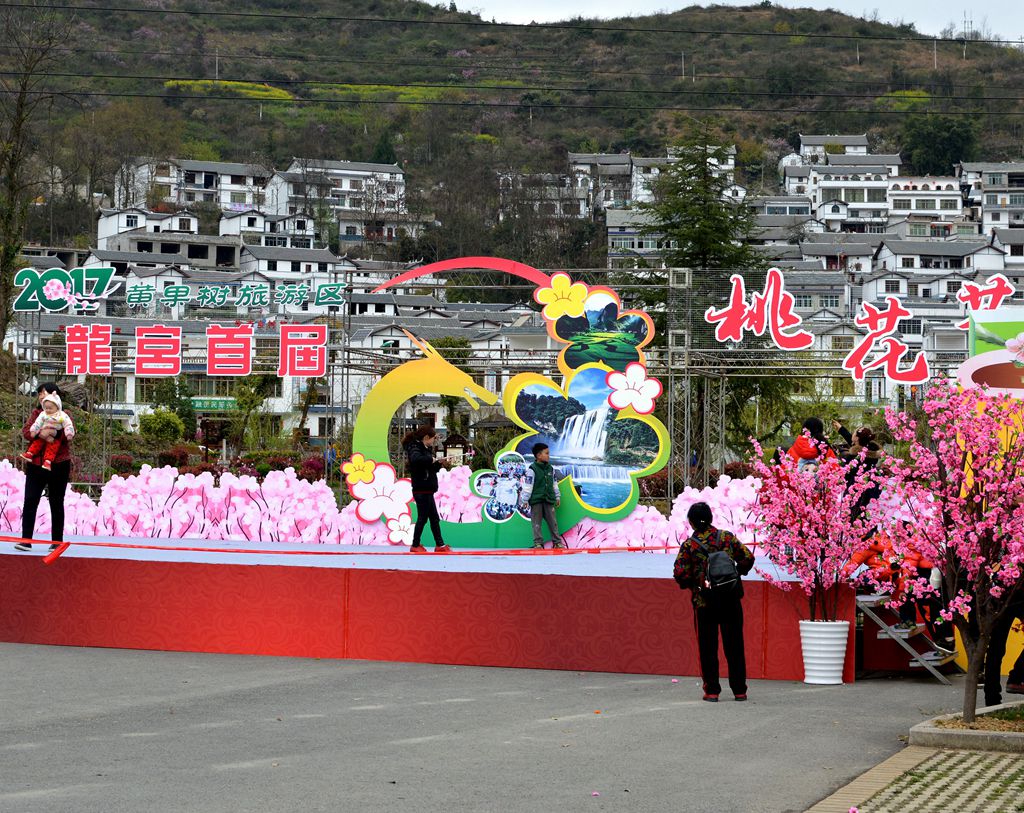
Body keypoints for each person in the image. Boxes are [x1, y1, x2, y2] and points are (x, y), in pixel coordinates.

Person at [673, 502, 755, 702]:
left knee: (708, 648)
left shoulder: (690, 545)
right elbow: (748, 558)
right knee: (734, 645)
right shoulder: (726, 537)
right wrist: (736, 572)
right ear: (710, 518)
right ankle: (739, 690)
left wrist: (694, 583)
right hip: (731, 600)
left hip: (704, 603)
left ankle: (712, 691)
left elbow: (680, 574)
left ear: (691, 522)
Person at [15, 383, 74, 553]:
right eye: (40, 393)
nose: (41, 396)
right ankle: (26, 540)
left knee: (56, 501)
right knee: (31, 499)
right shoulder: (37, 414)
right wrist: (41, 432)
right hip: (36, 464)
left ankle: (57, 542)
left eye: (44, 392)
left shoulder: (65, 414)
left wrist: (55, 433)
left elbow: (70, 433)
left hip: (59, 464)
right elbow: (26, 432)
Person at [402, 426, 452, 554]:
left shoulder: (425, 449)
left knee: (434, 518)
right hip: (421, 489)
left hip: (427, 489)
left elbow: (429, 468)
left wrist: (439, 463)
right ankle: (415, 544)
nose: (434, 441)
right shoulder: (415, 447)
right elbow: (416, 460)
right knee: (423, 518)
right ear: (426, 438)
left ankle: (439, 545)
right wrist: (431, 459)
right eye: (433, 438)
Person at [21, 392, 75, 471]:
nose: (48, 410)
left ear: (57, 406)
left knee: (52, 447)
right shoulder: (42, 414)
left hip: (56, 443)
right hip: (41, 436)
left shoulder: (62, 415)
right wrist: (34, 431)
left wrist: (68, 433)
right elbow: (37, 423)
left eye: (50, 408)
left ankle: (48, 461)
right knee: (37, 443)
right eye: (46, 408)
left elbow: (68, 425)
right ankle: (30, 454)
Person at [528, 443, 564, 549]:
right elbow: (528, 485)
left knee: (553, 522)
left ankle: (557, 542)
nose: (549, 455)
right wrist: (525, 499)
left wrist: (557, 496)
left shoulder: (551, 469)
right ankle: (538, 543)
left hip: (549, 499)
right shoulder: (532, 469)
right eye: (547, 453)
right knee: (536, 522)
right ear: (539, 455)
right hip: (536, 501)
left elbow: (554, 483)